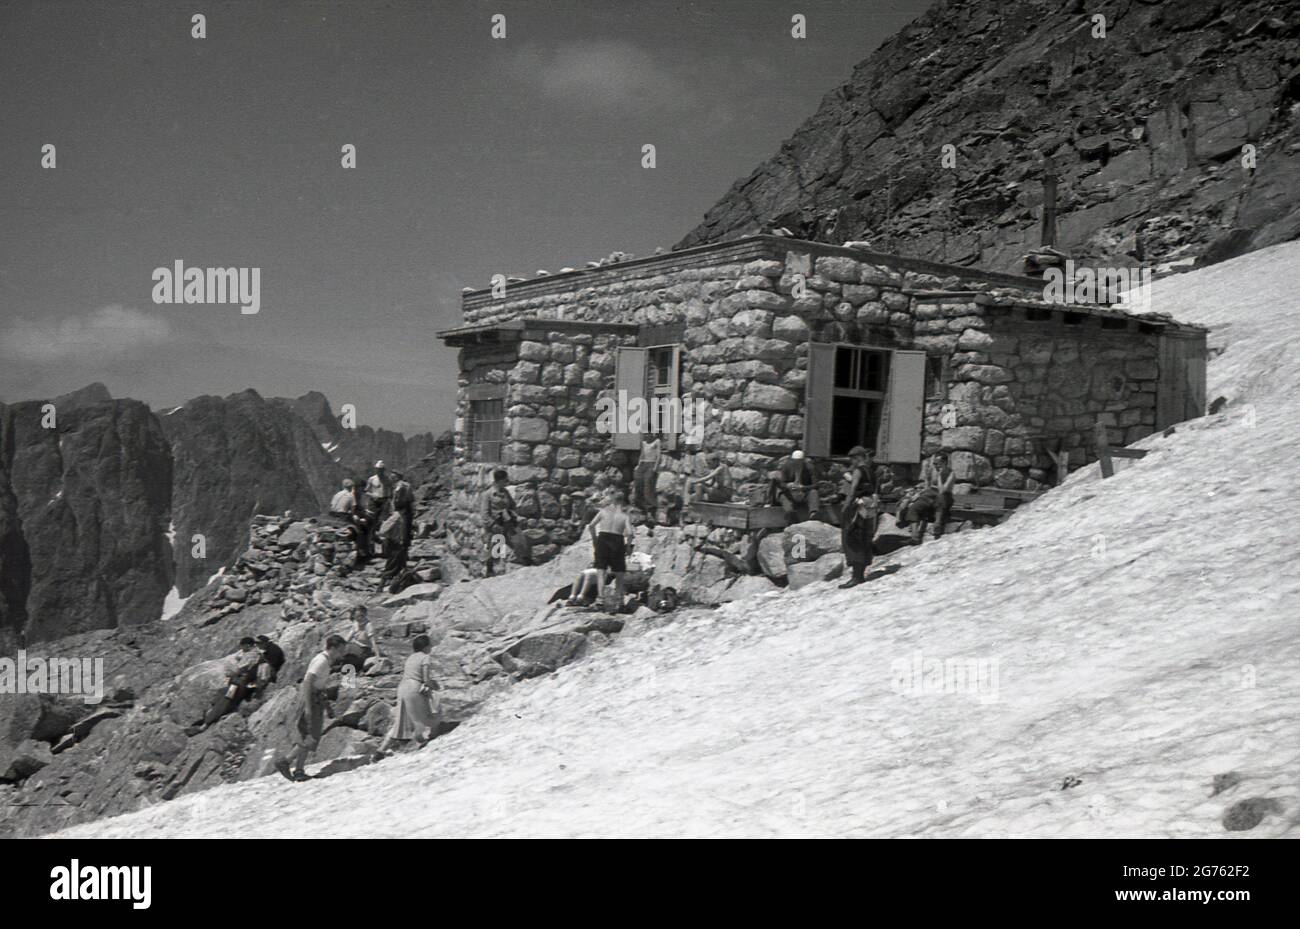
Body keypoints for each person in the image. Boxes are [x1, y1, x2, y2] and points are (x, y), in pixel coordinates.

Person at [276, 634, 348, 781]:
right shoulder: (321, 661)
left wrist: (327, 706)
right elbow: (308, 682)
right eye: (340, 650)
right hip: (311, 701)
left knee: (307, 736)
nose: (342, 653)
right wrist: (308, 707)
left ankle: (299, 770)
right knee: (311, 737)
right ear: (332, 648)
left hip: (316, 699)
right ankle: (286, 761)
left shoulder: (325, 661)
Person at [376, 635, 439, 757]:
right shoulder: (425, 657)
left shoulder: (410, 658)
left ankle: (381, 750)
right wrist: (434, 685)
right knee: (426, 714)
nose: (431, 647)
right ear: (426, 647)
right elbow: (426, 679)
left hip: (402, 688)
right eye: (430, 645)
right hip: (414, 688)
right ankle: (430, 738)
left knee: (400, 721)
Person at [839, 445, 879, 589]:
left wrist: (845, 508)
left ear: (858, 458)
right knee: (864, 539)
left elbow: (853, 490)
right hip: (870, 506)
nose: (852, 462)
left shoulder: (858, 471)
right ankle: (860, 575)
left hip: (858, 506)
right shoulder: (872, 471)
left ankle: (856, 577)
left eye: (853, 459)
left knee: (852, 538)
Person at [480, 468, 533, 576]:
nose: (507, 482)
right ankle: (490, 569)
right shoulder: (488, 494)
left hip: (508, 522)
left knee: (520, 540)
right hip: (496, 524)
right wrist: (493, 524)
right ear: (499, 481)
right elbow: (484, 514)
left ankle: (526, 562)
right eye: (505, 480)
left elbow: (512, 505)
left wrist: (511, 513)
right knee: (495, 548)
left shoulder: (505, 492)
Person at [586, 489, 634, 609]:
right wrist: (628, 547)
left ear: (612, 500)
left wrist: (594, 539)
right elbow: (630, 533)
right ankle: (620, 602)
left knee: (601, 571)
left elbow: (591, 526)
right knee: (620, 574)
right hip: (617, 540)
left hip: (603, 538)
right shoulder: (624, 516)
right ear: (623, 502)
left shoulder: (603, 512)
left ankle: (600, 601)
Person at [771, 449, 820, 520]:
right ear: (792, 460)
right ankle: (790, 512)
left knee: (813, 492)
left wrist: (803, 487)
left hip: (803, 493)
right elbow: (782, 483)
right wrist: (788, 485)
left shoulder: (809, 468)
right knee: (781, 494)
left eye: (800, 461)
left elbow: (816, 485)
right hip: (790, 494)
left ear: (803, 460)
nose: (797, 463)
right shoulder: (786, 467)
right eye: (795, 461)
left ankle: (814, 512)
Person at [339, 604, 383, 673]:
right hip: (355, 646)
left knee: (349, 657)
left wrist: (378, 655)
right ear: (354, 616)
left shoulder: (368, 626)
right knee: (343, 650)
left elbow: (373, 642)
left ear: (365, 614)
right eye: (357, 616)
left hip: (364, 650)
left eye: (362, 616)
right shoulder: (355, 623)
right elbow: (348, 638)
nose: (360, 618)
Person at [377, 508, 407, 590]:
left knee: (400, 565)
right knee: (392, 566)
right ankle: (381, 588)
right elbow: (383, 530)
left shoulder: (399, 516)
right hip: (393, 544)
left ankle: (397, 586)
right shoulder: (396, 517)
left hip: (396, 544)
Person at [634, 436, 662, 521]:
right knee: (638, 486)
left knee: (648, 488)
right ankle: (642, 510)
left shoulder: (657, 441)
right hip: (643, 464)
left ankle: (651, 511)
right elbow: (642, 454)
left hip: (652, 464)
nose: (647, 434)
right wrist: (638, 465)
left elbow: (659, 455)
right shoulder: (643, 442)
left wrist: (655, 467)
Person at [391, 471, 416, 550]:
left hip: (402, 510)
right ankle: (404, 551)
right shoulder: (407, 485)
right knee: (406, 530)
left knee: (401, 531)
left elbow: (397, 500)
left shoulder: (400, 486)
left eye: (393, 476)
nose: (391, 477)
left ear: (397, 477)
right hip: (406, 509)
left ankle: (401, 551)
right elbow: (412, 499)